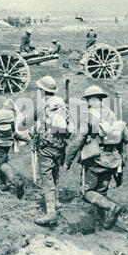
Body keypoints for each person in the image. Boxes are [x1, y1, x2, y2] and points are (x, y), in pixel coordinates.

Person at [64, 85, 128, 230]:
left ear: (89, 100)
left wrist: (67, 161)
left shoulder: (88, 116)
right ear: (101, 99)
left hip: (94, 160)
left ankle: (111, 207)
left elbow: (78, 140)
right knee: (101, 192)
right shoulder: (112, 115)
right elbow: (127, 137)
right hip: (111, 160)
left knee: (87, 192)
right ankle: (101, 224)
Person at [32, 76, 72, 227]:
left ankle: (50, 213)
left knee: (46, 177)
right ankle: (56, 201)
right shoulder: (61, 103)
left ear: (42, 90)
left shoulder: (43, 104)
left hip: (46, 146)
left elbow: (29, 120)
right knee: (55, 172)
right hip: (60, 146)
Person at [0, 98, 29, 198]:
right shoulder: (8, 106)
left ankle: (15, 181)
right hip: (8, 140)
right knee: (3, 159)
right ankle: (4, 184)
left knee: (1, 163)